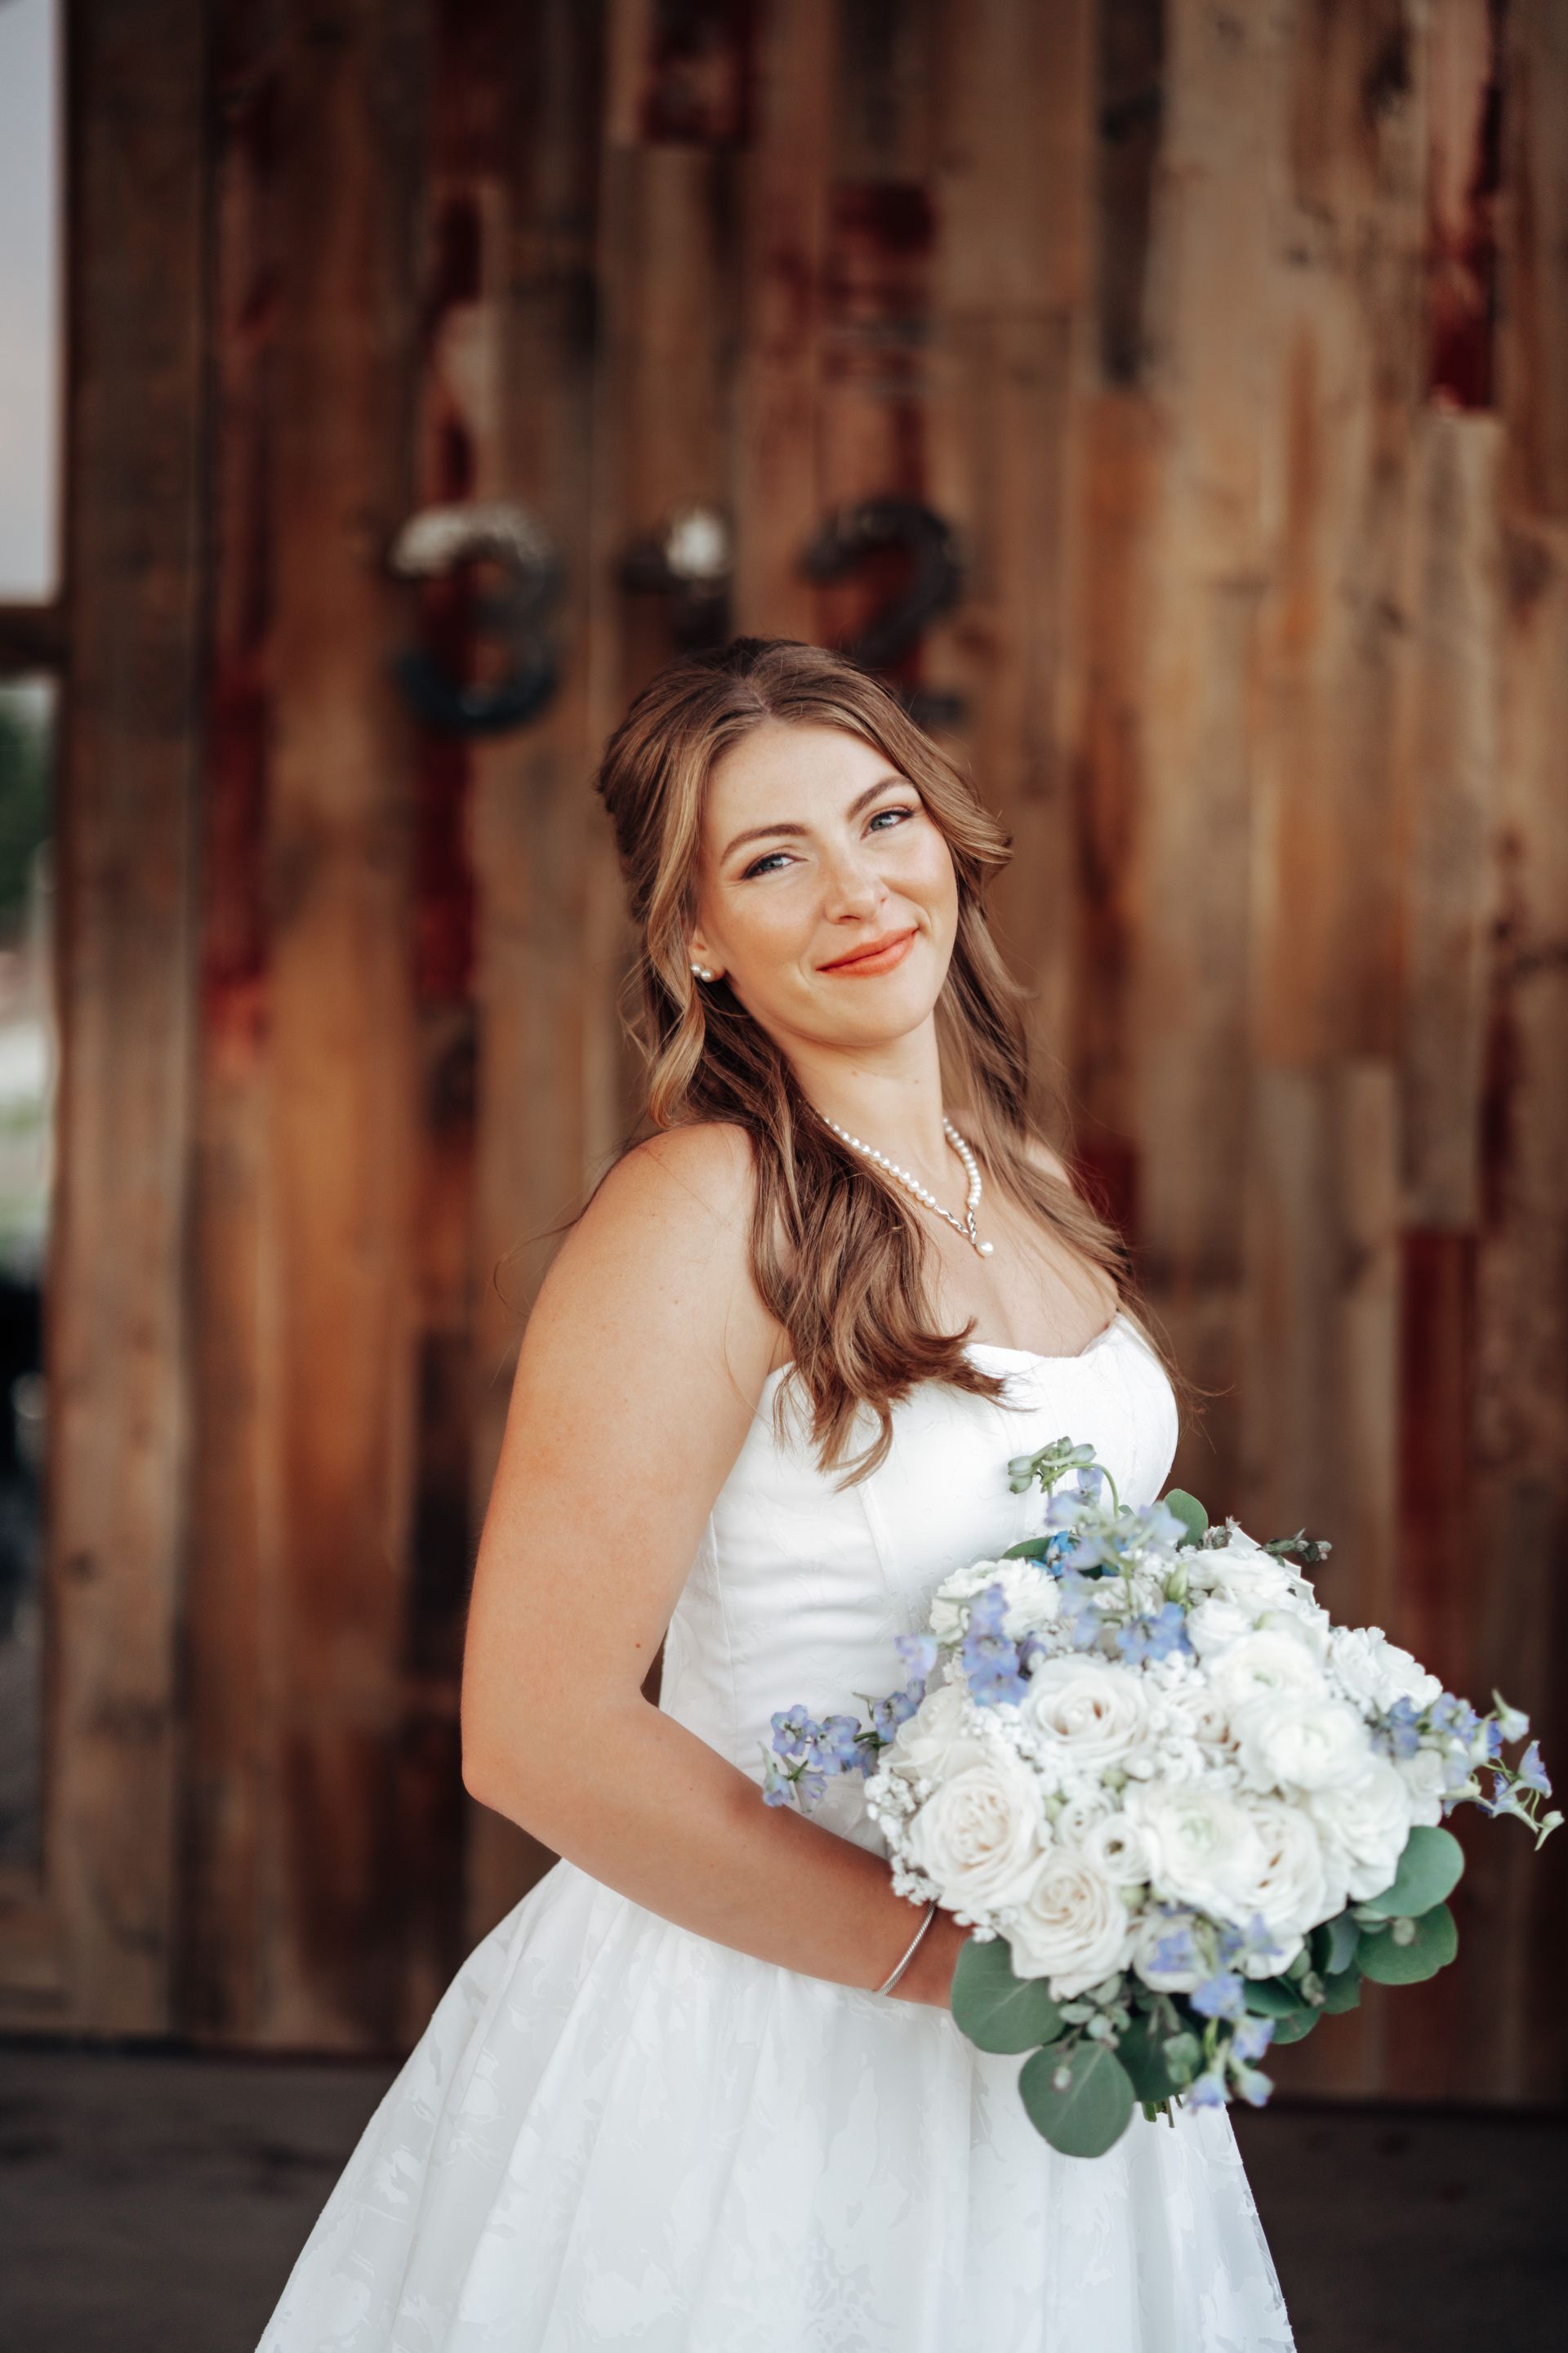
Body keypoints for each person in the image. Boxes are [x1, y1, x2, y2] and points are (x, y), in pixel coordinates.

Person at [258, 637, 1294, 2351]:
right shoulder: (699, 1216)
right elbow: (533, 1728)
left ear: (947, 832)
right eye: (768, 861)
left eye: (883, 818)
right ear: (692, 937)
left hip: (1065, 2016)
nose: (857, 889)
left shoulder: (1014, 1177)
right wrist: (947, 1969)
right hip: (771, 2046)